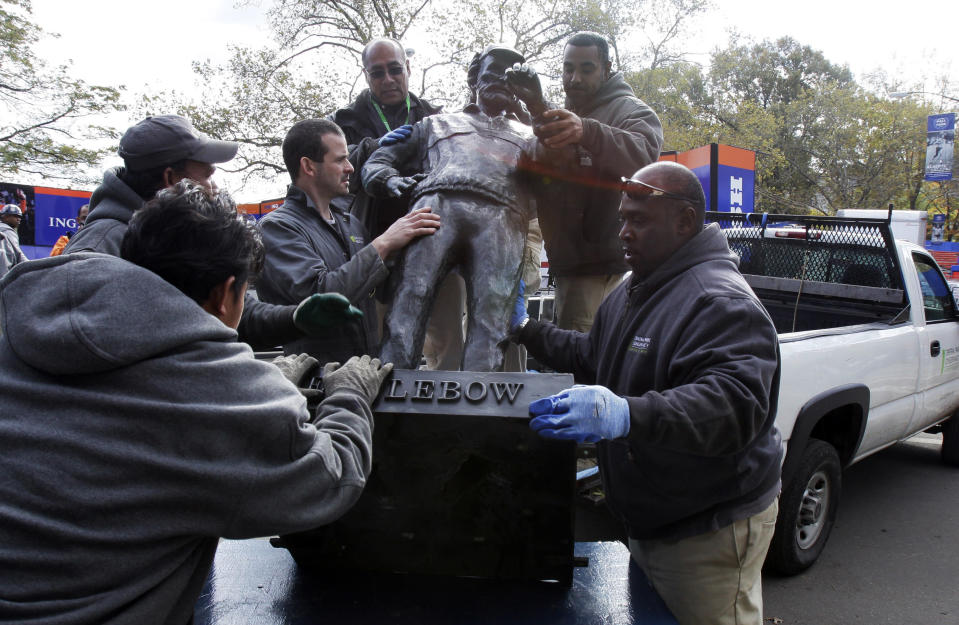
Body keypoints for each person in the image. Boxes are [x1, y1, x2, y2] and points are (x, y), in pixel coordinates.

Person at [0, 180, 393, 624]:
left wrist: (260, 392)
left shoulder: (18, 327)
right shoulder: (217, 386)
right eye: (248, 294)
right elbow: (327, 481)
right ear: (227, 294)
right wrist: (349, 396)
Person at [512, 161, 782, 625]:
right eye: (622, 218)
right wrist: (526, 330)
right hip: (653, 517)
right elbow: (594, 354)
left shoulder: (718, 300)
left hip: (707, 526)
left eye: (639, 220)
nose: (624, 232)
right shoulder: (634, 288)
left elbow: (735, 406)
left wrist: (627, 415)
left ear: (684, 222)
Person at [63, 114, 355, 350]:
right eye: (207, 174)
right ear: (171, 180)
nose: (215, 186)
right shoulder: (93, 256)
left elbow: (229, 314)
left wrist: (293, 318)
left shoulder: (184, 232)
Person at [362, 45, 558, 372]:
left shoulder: (531, 137)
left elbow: (561, 169)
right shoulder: (435, 125)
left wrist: (538, 107)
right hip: (435, 210)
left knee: (493, 315)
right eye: (495, 70)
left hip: (502, 219)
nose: (502, 80)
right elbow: (379, 161)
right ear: (474, 77)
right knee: (411, 294)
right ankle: (389, 387)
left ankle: (479, 404)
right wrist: (387, 179)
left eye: (513, 76)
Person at [512, 31, 663, 333]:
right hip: (570, 264)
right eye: (569, 68)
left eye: (586, 68)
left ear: (606, 69)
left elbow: (645, 156)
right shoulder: (569, 113)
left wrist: (588, 132)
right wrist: (535, 108)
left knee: (584, 361)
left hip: (598, 268)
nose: (575, 78)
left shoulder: (630, 110)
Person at [256, 118, 441, 364]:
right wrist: (383, 244)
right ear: (309, 166)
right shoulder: (277, 228)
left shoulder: (350, 223)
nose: (351, 168)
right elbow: (322, 296)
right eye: (340, 159)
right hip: (318, 385)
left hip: (363, 375)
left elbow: (375, 290)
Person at [330, 37, 443, 239]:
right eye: (377, 73)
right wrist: (371, 148)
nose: (388, 79)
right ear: (366, 75)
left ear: (407, 68)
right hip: (366, 238)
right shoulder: (340, 122)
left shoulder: (436, 118)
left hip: (430, 231)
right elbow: (328, 174)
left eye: (395, 69)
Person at [0, 204, 29, 278]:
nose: (19, 219)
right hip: (4, 273)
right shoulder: (7, 230)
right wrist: (32, 266)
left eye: (20, 217)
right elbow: (18, 254)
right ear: (5, 217)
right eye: (15, 216)